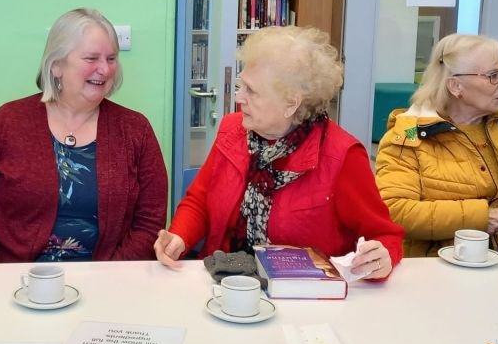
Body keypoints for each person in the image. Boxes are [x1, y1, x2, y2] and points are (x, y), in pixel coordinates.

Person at [154, 26, 404, 279]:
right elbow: (200, 201)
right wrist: (179, 237)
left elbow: (385, 235)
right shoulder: (232, 129)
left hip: (300, 299)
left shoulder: (342, 156)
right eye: (241, 86)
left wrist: (381, 258)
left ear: (291, 103)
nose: (239, 98)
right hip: (224, 284)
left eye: (252, 91)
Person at [0, 8, 167, 262]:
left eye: (111, 59)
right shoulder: (7, 122)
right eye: (91, 58)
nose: (105, 69)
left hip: (110, 282)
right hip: (15, 281)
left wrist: (111, 278)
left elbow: (149, 221)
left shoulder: (136, 129)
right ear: (56, 66)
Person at [375, 34, 498, 257]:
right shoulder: (407, 134)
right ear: (455, 86)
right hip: (435, 270)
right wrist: (477, 218)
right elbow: (394, 210)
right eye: (493, 76)